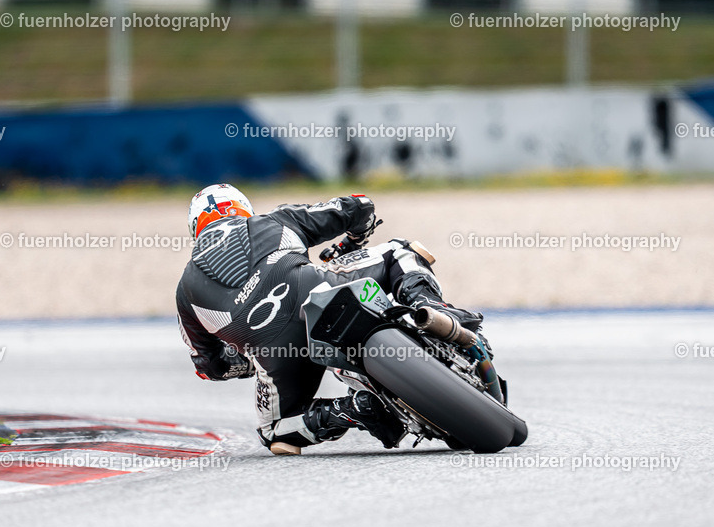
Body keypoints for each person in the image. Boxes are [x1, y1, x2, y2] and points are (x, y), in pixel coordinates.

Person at [175, 184, 483, 455]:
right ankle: (431, 308)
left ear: (196, 229)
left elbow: (211, 367)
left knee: (275, 433)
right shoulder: (273, 220)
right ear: (243, 209)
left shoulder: (184, 292)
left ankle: (351, 410)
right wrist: (353, 241)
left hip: (277, 353)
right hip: (319, 292)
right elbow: (359, 206)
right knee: (400, 251)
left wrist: (248, 359)